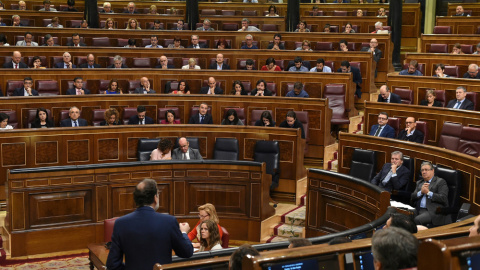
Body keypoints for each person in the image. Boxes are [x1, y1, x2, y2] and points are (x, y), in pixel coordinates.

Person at [106, 179, 193, 269]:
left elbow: (112, 264)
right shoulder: (169, 221)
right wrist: (183, 233)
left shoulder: (121, 223)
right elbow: (187, 252)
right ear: (155, 198)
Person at [411, 161, 449, 226]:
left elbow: (443, 198)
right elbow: (412, 197)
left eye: (426, 170)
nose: (424, 172)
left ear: (432, 170)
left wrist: (428, 193)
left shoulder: (440, 182)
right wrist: (421, 192)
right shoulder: (419, 183)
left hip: (433, 210)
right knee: (402, 215)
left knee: (417, 220)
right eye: (422, 170)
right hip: (418, 209)